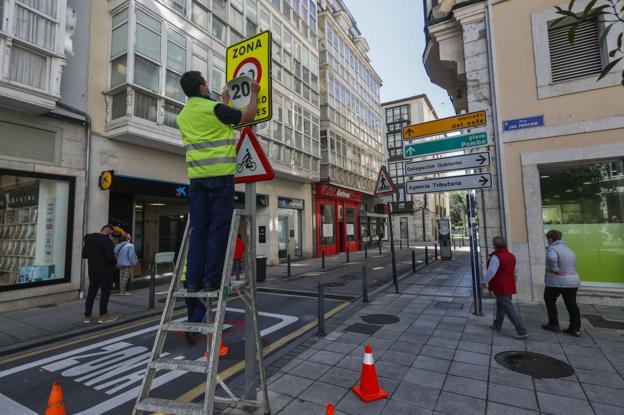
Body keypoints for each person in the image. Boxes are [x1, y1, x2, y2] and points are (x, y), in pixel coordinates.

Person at [176, 72, 259, 301]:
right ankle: (212, 279)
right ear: (202, 88)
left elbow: (214, 124)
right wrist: (253, 93)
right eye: (205, 82)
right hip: (220, 177)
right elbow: (248, 115)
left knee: (198, 230)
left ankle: (193, 281)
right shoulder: (213, 109)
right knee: (218, 229)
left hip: (196, 179)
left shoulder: (183, 116)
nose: (207, 86)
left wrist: (224, 102)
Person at [481, 236, 528, 339]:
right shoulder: (511, 256)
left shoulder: (496, 256)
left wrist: (484, 282)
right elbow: (515, 272)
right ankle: (497, 325)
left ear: (495, 245)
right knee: (501, 305)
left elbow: (491, 271)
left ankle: (522, 330)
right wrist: (513, 282)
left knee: (508, 308)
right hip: (509, 284)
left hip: (500, 285)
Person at [542, 229, 581, 337]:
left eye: (548, 239)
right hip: (572, 281)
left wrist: (555, 270)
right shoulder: (569, 249)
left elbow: (551, 258)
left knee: (549, 300)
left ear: (550, 239)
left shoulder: (553, 249)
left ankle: (553, 324)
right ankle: (575, 328)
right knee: (571, 304)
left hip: (556, 281)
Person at [82, 225, 118, 323]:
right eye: (111, 233)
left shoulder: (89, 240)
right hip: (105, 271)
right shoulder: (107, 241)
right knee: (105, 293)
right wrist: (115, 261)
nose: (112, 236)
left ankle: (87, 316)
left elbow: (84, 255)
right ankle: (103, 315)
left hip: (92, 270)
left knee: (91, 293)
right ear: (108, 232)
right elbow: (110, 258)